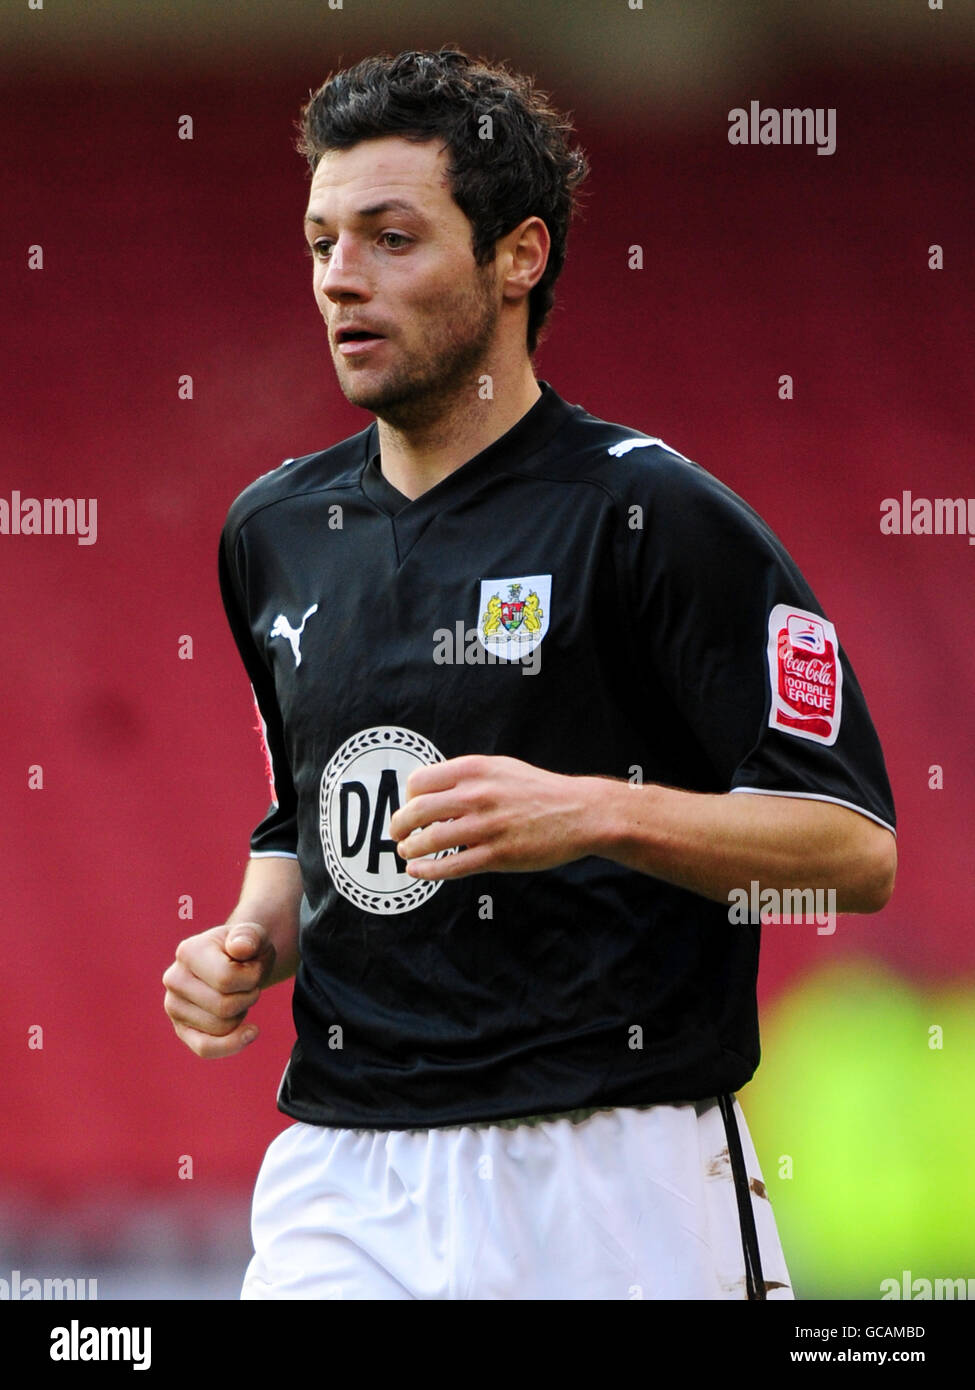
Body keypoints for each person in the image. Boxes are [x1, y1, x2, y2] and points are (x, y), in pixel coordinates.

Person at [162, 48, 896, 1301]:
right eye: (323, 240)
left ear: (519, 256)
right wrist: (248, 934)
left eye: (392, 238)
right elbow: (305, 808)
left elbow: (852, 845)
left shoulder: (651, 513)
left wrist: (596, 810)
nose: (342, 277)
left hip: (615, 1170)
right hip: (349, 1169)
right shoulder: (271, 532)